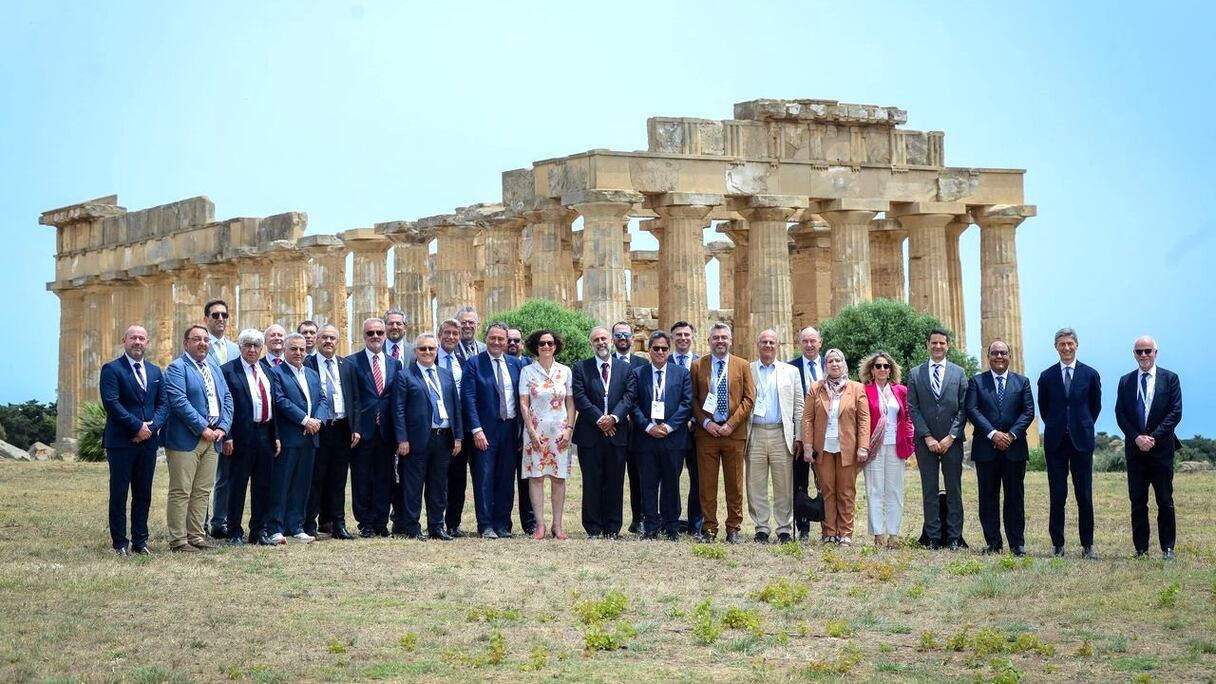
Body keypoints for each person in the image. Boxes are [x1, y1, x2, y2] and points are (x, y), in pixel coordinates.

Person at [162, 325, 233, 552]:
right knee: (181, 490)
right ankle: (178, 540)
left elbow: (227, 397)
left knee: (203, 490)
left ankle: (196, 536)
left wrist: (223, 426)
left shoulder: (213, 367)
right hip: (187, 438)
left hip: (214, 437)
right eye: (196, 339)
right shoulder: (177, 368)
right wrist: (202, 427)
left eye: (205, 339)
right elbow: (179, 401)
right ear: (186, 343)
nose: (202, 343)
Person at [100, 324, 168, 556]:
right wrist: (137, 426)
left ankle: (141, 540)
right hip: (121, 441)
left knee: (143, 493)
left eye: (141, 338)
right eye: (133, 338)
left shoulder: (155, 372)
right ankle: (120, 542)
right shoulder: (112, 369)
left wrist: (152, 427)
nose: (137, 342)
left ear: (147, 342)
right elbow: (112, 403)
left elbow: (163, 404)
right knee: (119, 493)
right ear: (124, 341)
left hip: (148, 442)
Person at [1114, 336, 1183, 560]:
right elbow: (1120, 414)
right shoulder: (1125, 381)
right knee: (1138, 501)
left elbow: (1175, 412)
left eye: (1147, 351)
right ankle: (1141, 549)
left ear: (1156, 352)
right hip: (1135, 451)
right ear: (1133, 354)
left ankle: (1168, 548)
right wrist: (1136, 438)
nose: (1143, 355)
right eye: (1139, 351)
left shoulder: (1170, 379)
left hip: (1161, 449)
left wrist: (1152, 437)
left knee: (1165, 500)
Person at [1036, 327, 1102, 558]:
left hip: (1081, 442)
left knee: (1084, 494)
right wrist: (1059, 425)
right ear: (1056, 347)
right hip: (1056, 443)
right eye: (1062, 344)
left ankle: (1087, 545)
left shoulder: (1090, 374)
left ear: (1076, 345)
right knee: (1057, 494)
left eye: (1070, 344)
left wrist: (1079, 425)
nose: (1066, 348)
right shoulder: (1046, 376)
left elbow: (1095, 407)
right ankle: (1058, 544)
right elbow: (1044, 409)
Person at [965, 341, 1035, 556]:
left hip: (1014, 448)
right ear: (988, 356)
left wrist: (1011, 434)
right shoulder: (977, 381)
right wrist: (993, 433)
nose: (999, 356)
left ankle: (1017, 543)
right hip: (986, 447)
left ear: (1009, 356)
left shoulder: (1022, 382)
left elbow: (1028, 411)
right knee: (988, 497)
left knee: (1015, 497)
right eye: (994, 353)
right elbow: (972, 409)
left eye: (1003, 353)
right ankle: (993, 542)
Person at [392, 332, 463, 540]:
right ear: (416, 352)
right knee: (413, 485)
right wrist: (402, 439)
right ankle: (412, 527)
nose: (427, 352)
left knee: (439, 485)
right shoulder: (405, 375)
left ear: (436, 350)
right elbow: (398, 410)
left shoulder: (445, 374)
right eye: (423, 348)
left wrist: (457, 436)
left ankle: (436, 526)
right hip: (415, 440)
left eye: (431, 348)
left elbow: (455, 407)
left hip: (443, 437)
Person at [690, 322, 755, 543]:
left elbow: (749, 399)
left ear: (730, 340)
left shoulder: (742, 365)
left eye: (724, 337)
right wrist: (706, 423)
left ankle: (734, 527)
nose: (720, 341)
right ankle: (709, 528)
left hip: (733, 433)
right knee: (707, 483)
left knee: (734, 483)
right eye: (716, 338)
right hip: (707, 433)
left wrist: (732, 424)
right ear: (709, 341)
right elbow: (693, 400)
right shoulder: (698, 366)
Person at [461, 321, 527, 538]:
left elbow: (522, 399)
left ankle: (502, 524)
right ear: (486, 338)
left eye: (501, 339)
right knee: (484, 478)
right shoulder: (474, 364)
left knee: (506, 478)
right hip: (485, 430)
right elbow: (468, 398)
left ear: (507, 341)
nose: (497, 342)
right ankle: (486, 524)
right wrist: (476, 429)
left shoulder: (515, 365)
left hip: (510, 429)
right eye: (493, 338)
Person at [571, 326, 636, 538]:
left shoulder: (625, 369)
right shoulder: (581, 368)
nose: (600, 342)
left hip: (617, 433)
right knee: (591, 482)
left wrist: (614, 418)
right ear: (591, 344)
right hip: (590, 433)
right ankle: (593, 527)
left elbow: (629, 396)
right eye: (596, 340)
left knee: (615, 481)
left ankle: (613, 527)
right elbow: (580, 397)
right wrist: (601, 419)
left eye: (603, 339)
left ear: (611, 341)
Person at [907, 328, 968, 550]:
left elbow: (964, 408)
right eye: (934, 343)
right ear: (928, 344)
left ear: (948, 345)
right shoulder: (915, 373)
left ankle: (953, 537)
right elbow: (913, 407)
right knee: (929, 490)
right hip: (926, 442)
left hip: (952, 442)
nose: (938, 346)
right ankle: (933, 537)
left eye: (942, 343)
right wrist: (928, 436)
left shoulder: (958, 373)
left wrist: (951, 436)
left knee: (954, 490)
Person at [802, 349, 870, 545]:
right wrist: (807, 446)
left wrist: (863, 447)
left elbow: (864, 420)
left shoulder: (856, 388)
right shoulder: (816, 388)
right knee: (827, 490)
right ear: (826, 365)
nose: (834, 364)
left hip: (847, 447)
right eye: (830, 361)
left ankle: (846, 533)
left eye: (838, 360)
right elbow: (807, 419)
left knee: (846, 491)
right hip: (822, 448)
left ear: (844, 364)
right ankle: (829, 532)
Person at [220, 329, 280, 546]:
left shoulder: (268, 371)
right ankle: (234, 531)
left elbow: (273, 405)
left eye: (256, 345)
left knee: (263, 484)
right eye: (247, 345)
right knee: (237, 484)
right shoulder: (228, 371)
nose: (252, 350)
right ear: (240, 347)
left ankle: (258, 530)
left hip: (265, 432)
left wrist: (276, 436)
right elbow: (225, 406)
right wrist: (227, 435)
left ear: (261, 348)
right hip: (240, 435)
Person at [631, 331, 693, 540]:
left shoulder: (681, 374)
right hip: (646, 438)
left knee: (671, 484)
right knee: (648, 484)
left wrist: (668, 427)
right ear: (649, 350)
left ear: (669, 350)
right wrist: (648, 427)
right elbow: (634, 404)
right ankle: (650, 526)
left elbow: (686, 404)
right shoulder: (639, 373)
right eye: (655, 348)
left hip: (672, 438)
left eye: (664, 348)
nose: (660, 352)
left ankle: (672, 526)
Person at [746, 330, 804, 544]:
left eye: (772, 342)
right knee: (755, 483)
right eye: (764, 342)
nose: (768, 345)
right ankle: (761, 527)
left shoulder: (790, 371)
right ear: (757, 345)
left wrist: (799, 436)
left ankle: (784, 528)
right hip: (755, 432)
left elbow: (799, 405)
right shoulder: (747, 369)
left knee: (784, 483)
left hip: (781, 432)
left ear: (777, 345)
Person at [304, 324, 361, 540]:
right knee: (315, 478)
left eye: (333, 338)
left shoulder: (346, 366)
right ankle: (309, 523)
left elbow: (355, 399)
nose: (328, 341)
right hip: (318, 429)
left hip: (342, 427)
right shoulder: (308, 363)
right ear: (317, 340)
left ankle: (339, 524)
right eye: (324, 338)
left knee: (338, 479)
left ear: (338, 342)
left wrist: (356, 428)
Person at [270, 333, 328, 544]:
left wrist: (318, 421)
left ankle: (296, 525)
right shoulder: (276, 373)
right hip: (289, 436)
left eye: (302, 349)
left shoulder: (312, 374)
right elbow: (280, 400)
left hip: (310, 437)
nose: (298, 353)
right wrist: (305, 420)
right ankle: (276, 527)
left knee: (302, 484)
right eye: (293, 349)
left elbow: (322, 398)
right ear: (284, 350)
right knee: (281, 483)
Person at [347, 317, 401, 538]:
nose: (376, 337)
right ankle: (365, 522)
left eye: (379, 332)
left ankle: (380, 521)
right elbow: (352, 399)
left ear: (385, 335)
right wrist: (354, 428)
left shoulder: (394, 363)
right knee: (361, 478)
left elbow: (397, 399)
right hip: (362, 430)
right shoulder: (352, 362)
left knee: (384, 478)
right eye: (371, 333)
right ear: (364, 336)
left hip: (386, 430)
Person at [518, 330, 575, 539]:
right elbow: (524, 403)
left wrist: (569, 429)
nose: (546, 347)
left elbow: (570, 402)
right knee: (537, 477)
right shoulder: (527, 372)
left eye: (550, 343)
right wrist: (531, 431)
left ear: (556, 345)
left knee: (559, 478)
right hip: (535, 431)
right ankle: (540, 524)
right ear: (536, 346)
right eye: (542, 343)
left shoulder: (565, 371)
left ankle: (557, 525)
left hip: (560, 431)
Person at [858, 351, 914, 549]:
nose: (882, 369)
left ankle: (894, 534)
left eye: (886, 366)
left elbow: (907, 418)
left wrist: (909, 444)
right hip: (874, 445)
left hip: (895, 445)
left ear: (891, 370)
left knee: (894, 491)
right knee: (874, 490)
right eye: (878, 366)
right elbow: (862, 420)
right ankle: (878, 534)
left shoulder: (900, 390)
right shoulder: (864, 390)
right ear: (871, 370)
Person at [204, 299, 240, 539]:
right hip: (205, 422)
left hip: (230, 420)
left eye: (224, 315)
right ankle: (198, 524)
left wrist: (230, 429)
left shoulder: (236, 349)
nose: (220, 319)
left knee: (226, 476)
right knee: (203, 479)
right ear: (206, 318)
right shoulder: (199, 345)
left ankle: (220, 522)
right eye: (215, 315)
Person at [611, 320, 649, 534]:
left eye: (626, 335)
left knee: (639, 476)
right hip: (613, 430)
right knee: (613, 477)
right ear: (612, 339)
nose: (622, 339)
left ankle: (639, 519)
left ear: (632, 339)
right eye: (618, 335)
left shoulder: (642, 365)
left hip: (637, 430)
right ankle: (612, 520)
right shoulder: (605, 363)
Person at [790, 326, 825, 541]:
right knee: (799, 481)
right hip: (800, 435)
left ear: (820, 342)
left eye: (813, 341)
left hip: (826, 435)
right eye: (805, 341)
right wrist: (797, 436)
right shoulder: (790, 368)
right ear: (799, 343)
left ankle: (828, 525)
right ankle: (802, 527)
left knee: (826, 482)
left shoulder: (832, 364)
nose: (810, 345)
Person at [437, 318, 471, 536]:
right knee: (437, 477)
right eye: (447, 333)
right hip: (437, 424)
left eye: (455, 334)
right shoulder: (428, 356)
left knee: (458, 478)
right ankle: (436, 521)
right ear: (440, 335)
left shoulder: (463, 360)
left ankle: (453, 523)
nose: (451, 337)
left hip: (460, 426)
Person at [669, 320, 702, 537]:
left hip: (698, 430)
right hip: (671, 431)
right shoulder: (664, 360)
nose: (682, 338)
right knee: (670, 477)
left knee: (699, 479)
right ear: (672, 339)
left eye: (686, 334)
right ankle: (671, 522)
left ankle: (696, 524)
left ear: (693, 338)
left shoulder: (703, 363)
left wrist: (694, 418)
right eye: (678, 335)